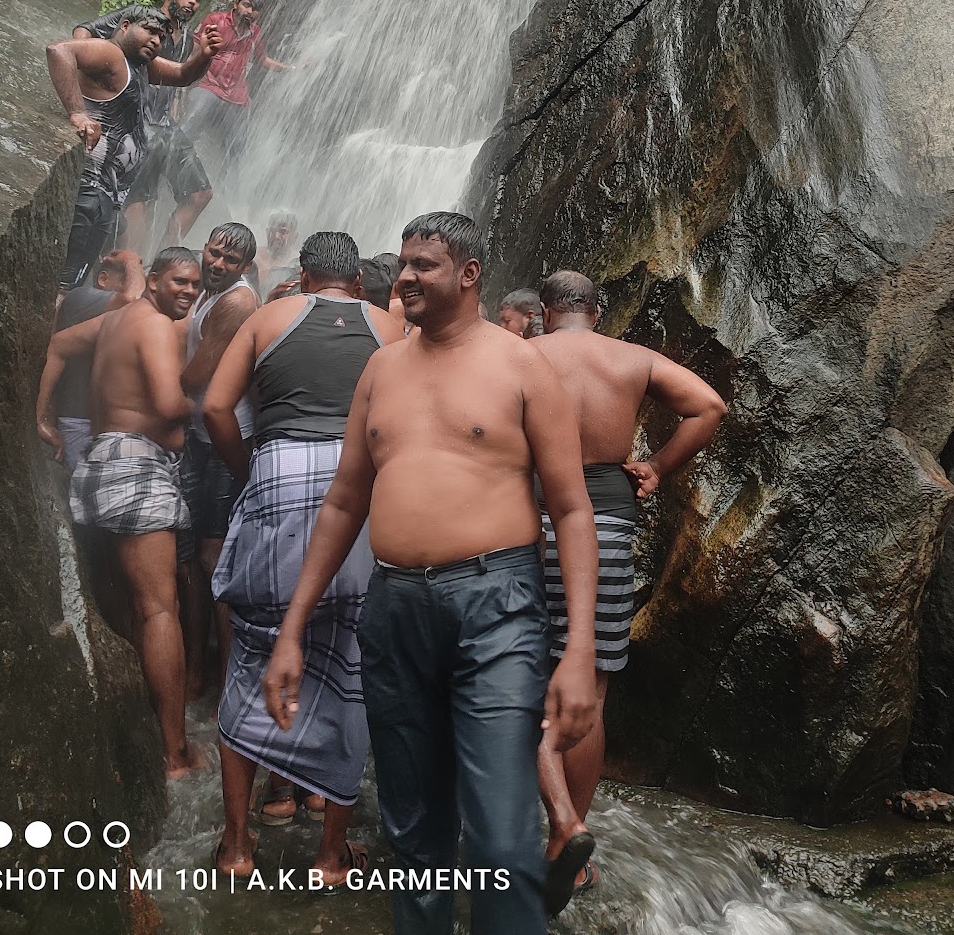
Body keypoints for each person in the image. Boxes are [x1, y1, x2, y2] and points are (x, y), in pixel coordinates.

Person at [262, 211, 599, 935]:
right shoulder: (381, 368)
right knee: (415, 837)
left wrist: (576, 652)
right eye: (405, 264)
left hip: (498, 606)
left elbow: (571, 511)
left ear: (469, 275)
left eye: (423, 265)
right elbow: (345, 501)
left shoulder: (521, 365)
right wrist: (292, 631)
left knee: (502, 839)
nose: (405, 276)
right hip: (393, 610)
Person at [204, 232, 405, 887]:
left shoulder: (269, 316)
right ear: (356, 281)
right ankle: (330, 857)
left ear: (305, 273)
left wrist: (247, 470)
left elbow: (214, 406)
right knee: (348, 661)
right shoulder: (390, 327)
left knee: (253, 659)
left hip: (277, 481)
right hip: (360, 491)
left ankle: (238, 847)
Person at [534, 269, 728, 912]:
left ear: (544, 310)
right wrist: (657, 467)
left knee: (519, 667)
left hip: (528, 517)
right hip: (610, 522)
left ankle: (525, 824)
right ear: (596, 310)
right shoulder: (634, 358)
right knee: (589, 679)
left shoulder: (522, 355)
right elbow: (710, 407)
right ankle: (571, 844)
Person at [53, 248, 205, 777]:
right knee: (160, 608)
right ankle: (174, 754)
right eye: (179, 281)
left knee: (122, 605)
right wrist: (208, 397)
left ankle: (138, 726)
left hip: (97, 463)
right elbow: (167, 404)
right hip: (136, 466)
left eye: (195, 284)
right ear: (155, 281)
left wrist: (41, 417)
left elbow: (55, 345)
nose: (188, 291)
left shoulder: (113, 319)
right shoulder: (158, 327)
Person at [46, 7, 222, 289]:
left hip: (108, 194)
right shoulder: (111, 54)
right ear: (125, 26)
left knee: (83, 278)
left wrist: (203, 55)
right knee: (65, 282)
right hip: (90, 189)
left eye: (162, 37)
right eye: (150, 31)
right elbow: (59, 51)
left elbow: (181, 75)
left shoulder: (138, 66)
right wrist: (77, 112)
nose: (156, 40)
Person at [177, 223, 260, 698]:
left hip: (222, 440)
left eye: (229, 261)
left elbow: (197, 376)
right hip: (201, 435)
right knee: (194, 556)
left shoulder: (236, 301)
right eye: (213, 253)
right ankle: (198, 667)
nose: (217, 264)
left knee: (213, 560)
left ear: (245, 267)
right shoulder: (212, 290)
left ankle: (224, 678)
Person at [73, 0, 213, 252]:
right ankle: (125, 268)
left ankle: (165, 259)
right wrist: (89, 91)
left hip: (167, 127)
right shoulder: (140, 21)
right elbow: (83, 32)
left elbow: (180, 77)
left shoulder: (185, 37)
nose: (192, 2)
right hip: (137, 123)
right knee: (139, 201)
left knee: (200, 193)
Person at [36, 249, 145, 471]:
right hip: (78, 423)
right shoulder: (81, 297)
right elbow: (133, 300)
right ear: (103, 279)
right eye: (127, 280)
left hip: (95, 423)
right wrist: (131, 260)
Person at [184, 0, 292, 157]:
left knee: (239, 145)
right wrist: (182, 84)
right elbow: (194, 51)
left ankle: (228, 182)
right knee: (190, 125)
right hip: (209, 86)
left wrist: (291, 69)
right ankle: (172, 163)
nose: (250, 12)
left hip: (236, 96)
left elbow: (262, 59)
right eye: (246, 5)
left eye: (255, 9)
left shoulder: (254, 32)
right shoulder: (215, 21)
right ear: (236, 4)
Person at [254, 209, 300, 297]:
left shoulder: (298, 262)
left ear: (295, 236)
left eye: (283, 232)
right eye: (272, 230)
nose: (276, 236)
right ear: (267, 232)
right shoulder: (254, 257)